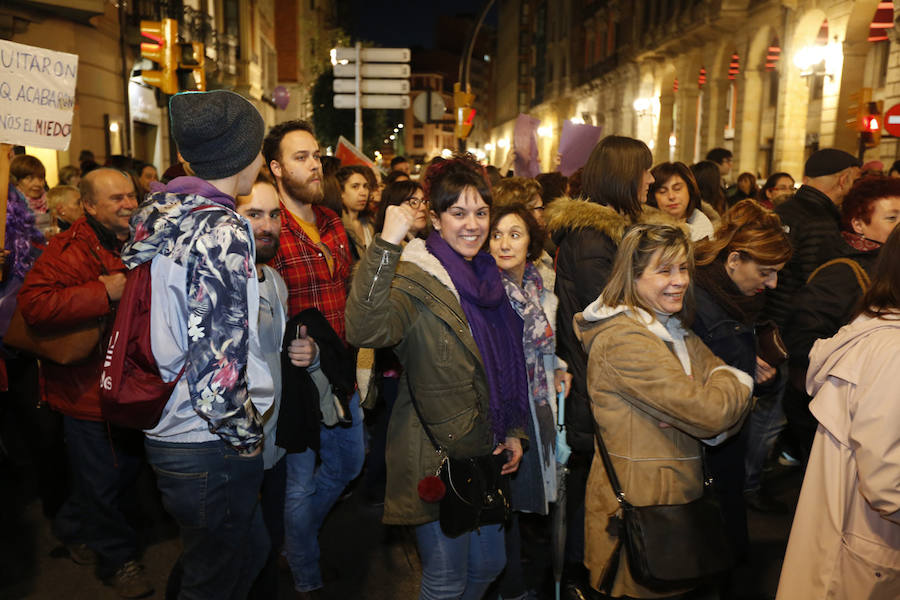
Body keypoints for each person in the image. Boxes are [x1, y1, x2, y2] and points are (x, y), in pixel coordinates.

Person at [346, 155, 528, 600]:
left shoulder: (490, 278)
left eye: (481, 212)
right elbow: (364, 328)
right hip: (436, 453)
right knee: (445, 581)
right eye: (458, 212)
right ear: (437, 218)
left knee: (490, 566)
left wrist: (513, 431)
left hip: (487, 449)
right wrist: (387, 242)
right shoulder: (417, 277)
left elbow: (505, 365)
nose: (472, 225)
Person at [124, 90, 273, 600]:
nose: (261, 159)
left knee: (232, 557)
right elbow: (217, 375)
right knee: (216, 580)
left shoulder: (168, 212)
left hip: (170, 430)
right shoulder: (221, 230)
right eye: (258, 147)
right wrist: (246, 435)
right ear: (241, 154)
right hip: (206, 441)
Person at [574, 223, 753, 598]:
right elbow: (714, 413)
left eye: (683, 268)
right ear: (633, 276)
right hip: (640, 514)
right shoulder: (624, 341)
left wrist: (723, 388)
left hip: (671, 505)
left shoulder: (673, 331)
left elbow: (719, 392)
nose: (680, 281)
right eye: (664, 270)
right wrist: (728, 387)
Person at [17, 168, 150, 598]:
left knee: (116, 473)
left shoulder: (139, 237)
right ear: (89, 206)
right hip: (86, 391)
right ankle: (118, 559)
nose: (129, 204)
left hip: (129, 384)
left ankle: (73, 527)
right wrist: (101, 292)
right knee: (104, 478)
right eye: (117, 199)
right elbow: (34, 304)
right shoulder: (68, 248)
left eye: (131, 195)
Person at [546, 135, 667, 595]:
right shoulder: (595, 242)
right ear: (622, 175)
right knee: (591, 492)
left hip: (600, 386)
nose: (652, 179)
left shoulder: (609, 234)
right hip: (598, 390)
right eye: (645, 170)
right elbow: (614, 321)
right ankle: (587, 576)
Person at [263, 120, 364, 599]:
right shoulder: (268, 227)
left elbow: (343, 293)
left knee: (349, 463)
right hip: (297, 376)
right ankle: (306, 576)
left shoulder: (330, 222)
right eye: (301, 157)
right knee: (299, 483)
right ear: (277, 168)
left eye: (316, 154)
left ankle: (293, 539)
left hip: (340, 369)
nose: (315, 163)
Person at [776, 225, 900, 600]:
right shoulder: (892, 351)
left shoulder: (876, 333)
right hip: (862, 549)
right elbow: (886, 480)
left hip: (858, 544)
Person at [691, 200, 792, 551]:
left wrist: (760, 375)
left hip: (727, 441)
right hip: (705, 451)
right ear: (734, 260)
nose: (773, 283)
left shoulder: (734, 295)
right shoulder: (697, 301)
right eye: (766, 272)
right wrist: (746, 374)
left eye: (777, 272)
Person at [782, 176, 900, 463]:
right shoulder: (841, 274)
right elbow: (801, 343)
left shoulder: (885, 266)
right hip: (837, 412)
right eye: (891, 218)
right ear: (859, 225)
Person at [489, 201, 571, 600]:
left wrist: (557, 366)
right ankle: (510, 588)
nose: (504, 243)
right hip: (506, 406)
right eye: (497, 234)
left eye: (515, 234)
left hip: (537, 401)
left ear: (530, 242)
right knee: (505, 504)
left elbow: (544, 343)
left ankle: (518, 581)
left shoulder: (539, 283)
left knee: (527, 501)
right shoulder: (486, 289)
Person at [236, 175, 291, 599]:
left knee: (268, 546)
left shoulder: (273, 279)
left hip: (273, 447)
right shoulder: (219, 283)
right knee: (235, 555)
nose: (267, 225)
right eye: (254, 214)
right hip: (236, 449)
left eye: (273, 214)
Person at [649, 161, 718, 241]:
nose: (671, 196)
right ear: (653, 197)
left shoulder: (705, 225)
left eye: (677, 189)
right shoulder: (648, 234)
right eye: (662, 191)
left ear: (690, 190)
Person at [336, 165, 374, 260]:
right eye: (355, 187)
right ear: (341, 192)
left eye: (365, 186)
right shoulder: (337, 227)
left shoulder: (370, 224)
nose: (363, 192)